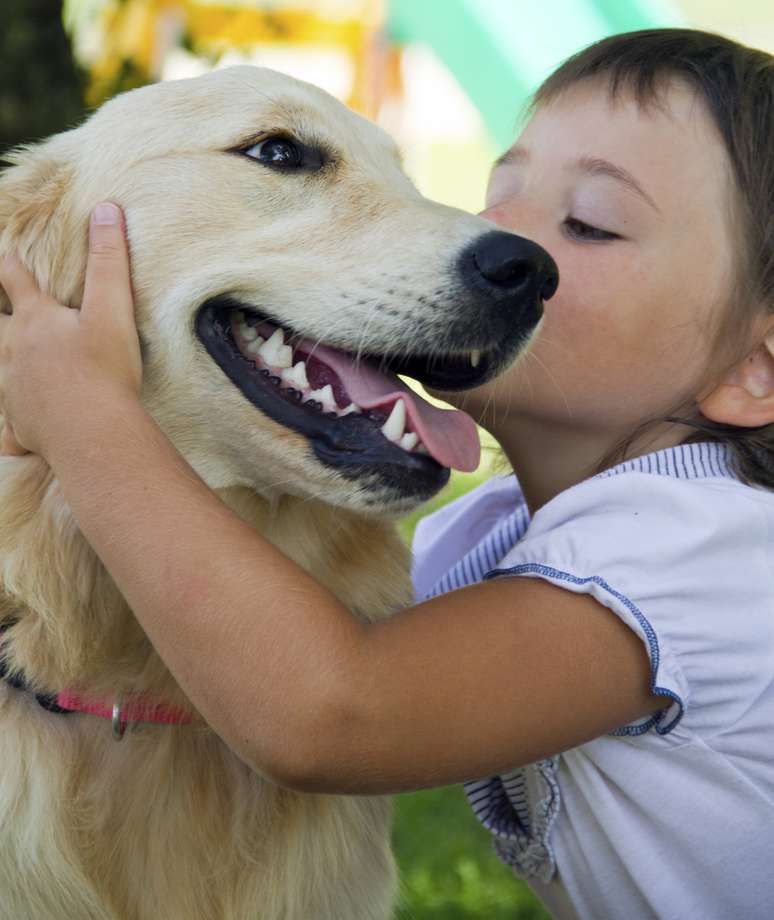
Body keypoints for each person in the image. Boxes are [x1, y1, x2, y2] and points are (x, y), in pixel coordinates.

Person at [0, 27, 772, 919]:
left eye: (590, 224)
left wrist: (91, 425)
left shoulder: (705, 548)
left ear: (758, 368)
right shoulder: (481, 542)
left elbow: (333, 711)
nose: (491, 244)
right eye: (497, 199)